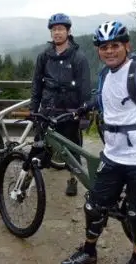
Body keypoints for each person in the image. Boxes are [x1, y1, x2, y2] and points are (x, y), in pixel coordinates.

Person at [58, 20, 136, 264]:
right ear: (99, 50)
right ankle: (89, 251)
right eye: (104, 47)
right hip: (113, 155)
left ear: (126, 46)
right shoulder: (105, 75)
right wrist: (79, 110)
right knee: (93, 205)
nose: (109, 51)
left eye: (115, 46)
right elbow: (101, 101)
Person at [29, 13, 91, 196]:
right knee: (39, 146)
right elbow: (36, 84)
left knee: (72, 150)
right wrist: (34, 108)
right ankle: (30, 178)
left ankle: (73, 179)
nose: (57, 33)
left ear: (68, 31)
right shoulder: (44, 56)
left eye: (61, 29)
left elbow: (85, 88)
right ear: (51, 32)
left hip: (70, 111)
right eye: (54, 29)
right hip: (47, 110)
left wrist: (84, 115)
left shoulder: (78, 57)